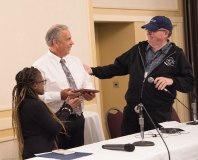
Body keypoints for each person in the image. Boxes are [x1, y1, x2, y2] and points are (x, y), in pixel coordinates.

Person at [83, 16, 195, 136]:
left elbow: (189, 82)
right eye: (148, 30)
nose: (148, 33)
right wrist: (92, 70)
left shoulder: (177, 54)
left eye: (153, 31)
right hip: (132, 111)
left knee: (158, 147)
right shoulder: (138, 50)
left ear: (165, 33)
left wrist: (171, 81)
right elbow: (116, 67)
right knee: (130, 146)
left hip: (158, 113)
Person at [33, 24, 95, 149]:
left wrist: (89, 92)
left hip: (78, 117)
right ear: (56, 42)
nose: (72, 42)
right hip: (57, 120)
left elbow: (85, 80)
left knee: (79, 154)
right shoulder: (39, 66)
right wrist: (59, 96)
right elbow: (35, 97)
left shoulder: (75, 61)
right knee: (60, 155)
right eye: (68, 39)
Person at [12, 67, 71, 159]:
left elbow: (49, 120)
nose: (43, 84)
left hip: (33, 152)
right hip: (39, 154)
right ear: (34, 85)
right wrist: (68, 109)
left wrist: (65, 106)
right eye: (42, 81)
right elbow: (56, 128)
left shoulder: (25, 102)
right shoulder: (35, 105)